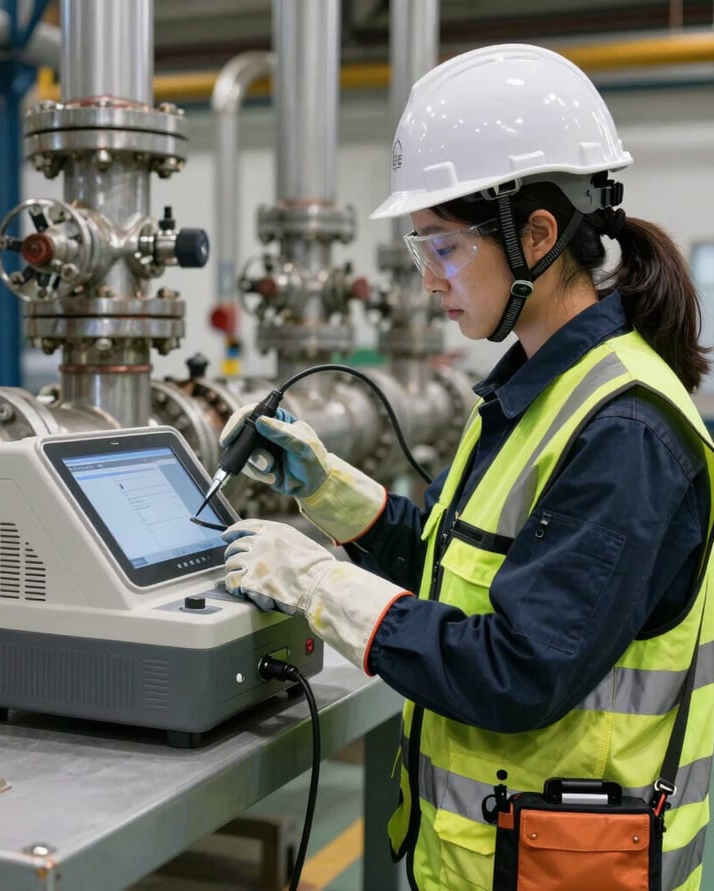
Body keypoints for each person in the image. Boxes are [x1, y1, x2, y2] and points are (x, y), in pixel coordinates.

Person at [220, 43, 714, 890]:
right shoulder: (536, 387)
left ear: (538, 235)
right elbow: (471, 574)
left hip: (568, 869)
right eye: (421, 253)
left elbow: (516, 669)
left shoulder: (624, 430)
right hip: (489, 860)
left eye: (443, 249)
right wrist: (332, 494)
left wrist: (320, 585)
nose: (430, 283)